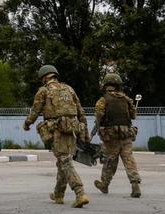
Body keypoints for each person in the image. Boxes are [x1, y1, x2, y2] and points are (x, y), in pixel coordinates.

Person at [23, 64, 90, 208]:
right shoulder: (69, 89)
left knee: (65, 162)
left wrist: (27, 123)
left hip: (57, 130)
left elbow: (35, 110)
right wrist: (86, 132)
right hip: (73, 128)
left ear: (43, 77)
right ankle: (58, 194)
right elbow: (80, 111)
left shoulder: (43, 91)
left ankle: (80, 193)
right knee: (62, 162)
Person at [93, 73, 141, 198]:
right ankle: (135, 184)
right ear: (118, 85)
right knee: (129, 159)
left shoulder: (103, 101)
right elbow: (133, 116)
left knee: (109, 161)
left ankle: (104, 184)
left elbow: (98, 118)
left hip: (111, 137)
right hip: (126, 135)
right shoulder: (127, 99)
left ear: (106, 85)